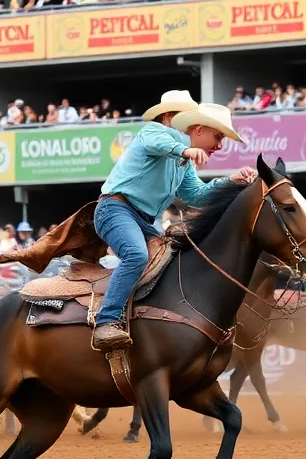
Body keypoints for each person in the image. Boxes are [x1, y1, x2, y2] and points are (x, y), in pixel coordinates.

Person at [92, 93, 255, 350]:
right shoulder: (152, 133)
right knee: (136, 255)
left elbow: (196, 196)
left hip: (144, 222)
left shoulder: (183, 160)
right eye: (219, 136)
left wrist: (229, 182)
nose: (220, 145)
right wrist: (186, 149)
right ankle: (106, 322)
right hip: (114, 210)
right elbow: (158, 141)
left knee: (173, 265)